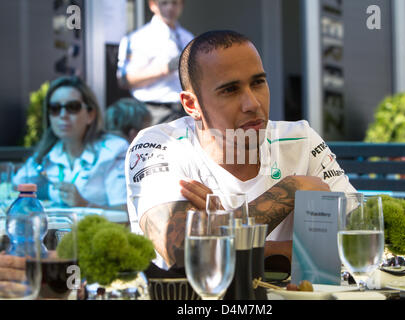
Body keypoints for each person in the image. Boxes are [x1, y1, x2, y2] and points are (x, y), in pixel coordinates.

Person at [125, 30, 356, 272]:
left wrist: (219, 232)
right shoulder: (158, 146)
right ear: (192, 105)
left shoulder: (301, 140)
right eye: (230, 90)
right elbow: (183, 253)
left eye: (258, 83)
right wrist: (291, 189)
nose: (252, 104)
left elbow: (356, 241)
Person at [13, 76, 128, 211]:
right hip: (54, 231)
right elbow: (15, 186)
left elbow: (126, 214)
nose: (63, 115)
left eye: (72, 107)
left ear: (90, 114)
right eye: (55, 108)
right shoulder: (47, 153)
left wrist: (85, 204)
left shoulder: (114, 149)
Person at [117, 0, 194, 126]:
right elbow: (125, 80)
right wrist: (167, 68)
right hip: (153, 111)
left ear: (182, 5)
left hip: (184, 110)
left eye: (175, 3)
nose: (170, 8)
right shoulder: (138, 38)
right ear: (152, 5)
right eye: (164, 3)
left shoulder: (187, 37)